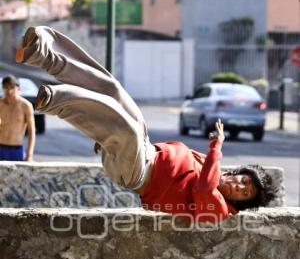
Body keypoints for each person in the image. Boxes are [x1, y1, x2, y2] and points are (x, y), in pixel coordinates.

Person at [16, 26, 277, 223]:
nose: (239, 186)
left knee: (126, 129)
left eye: (244, 193)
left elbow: (203, 187)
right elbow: (176, 152)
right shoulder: (208, 166)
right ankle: (43, 52)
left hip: (138, 174)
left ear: (238, 203)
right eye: (243, 181)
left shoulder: (218, 210)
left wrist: (216, 147)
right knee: (114, 91)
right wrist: (108, 139)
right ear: (237, 173)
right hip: (145, 149)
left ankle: (53, 100)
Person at [0, 74, 36, 161]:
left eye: (11, 88)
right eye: (6, 88)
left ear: (18, 89)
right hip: (1, 146)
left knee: (18, 174)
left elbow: (31, 131)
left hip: (16, 149)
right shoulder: (0, 104)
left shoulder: (26, 106)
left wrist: (29, 154)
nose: (9, 92)